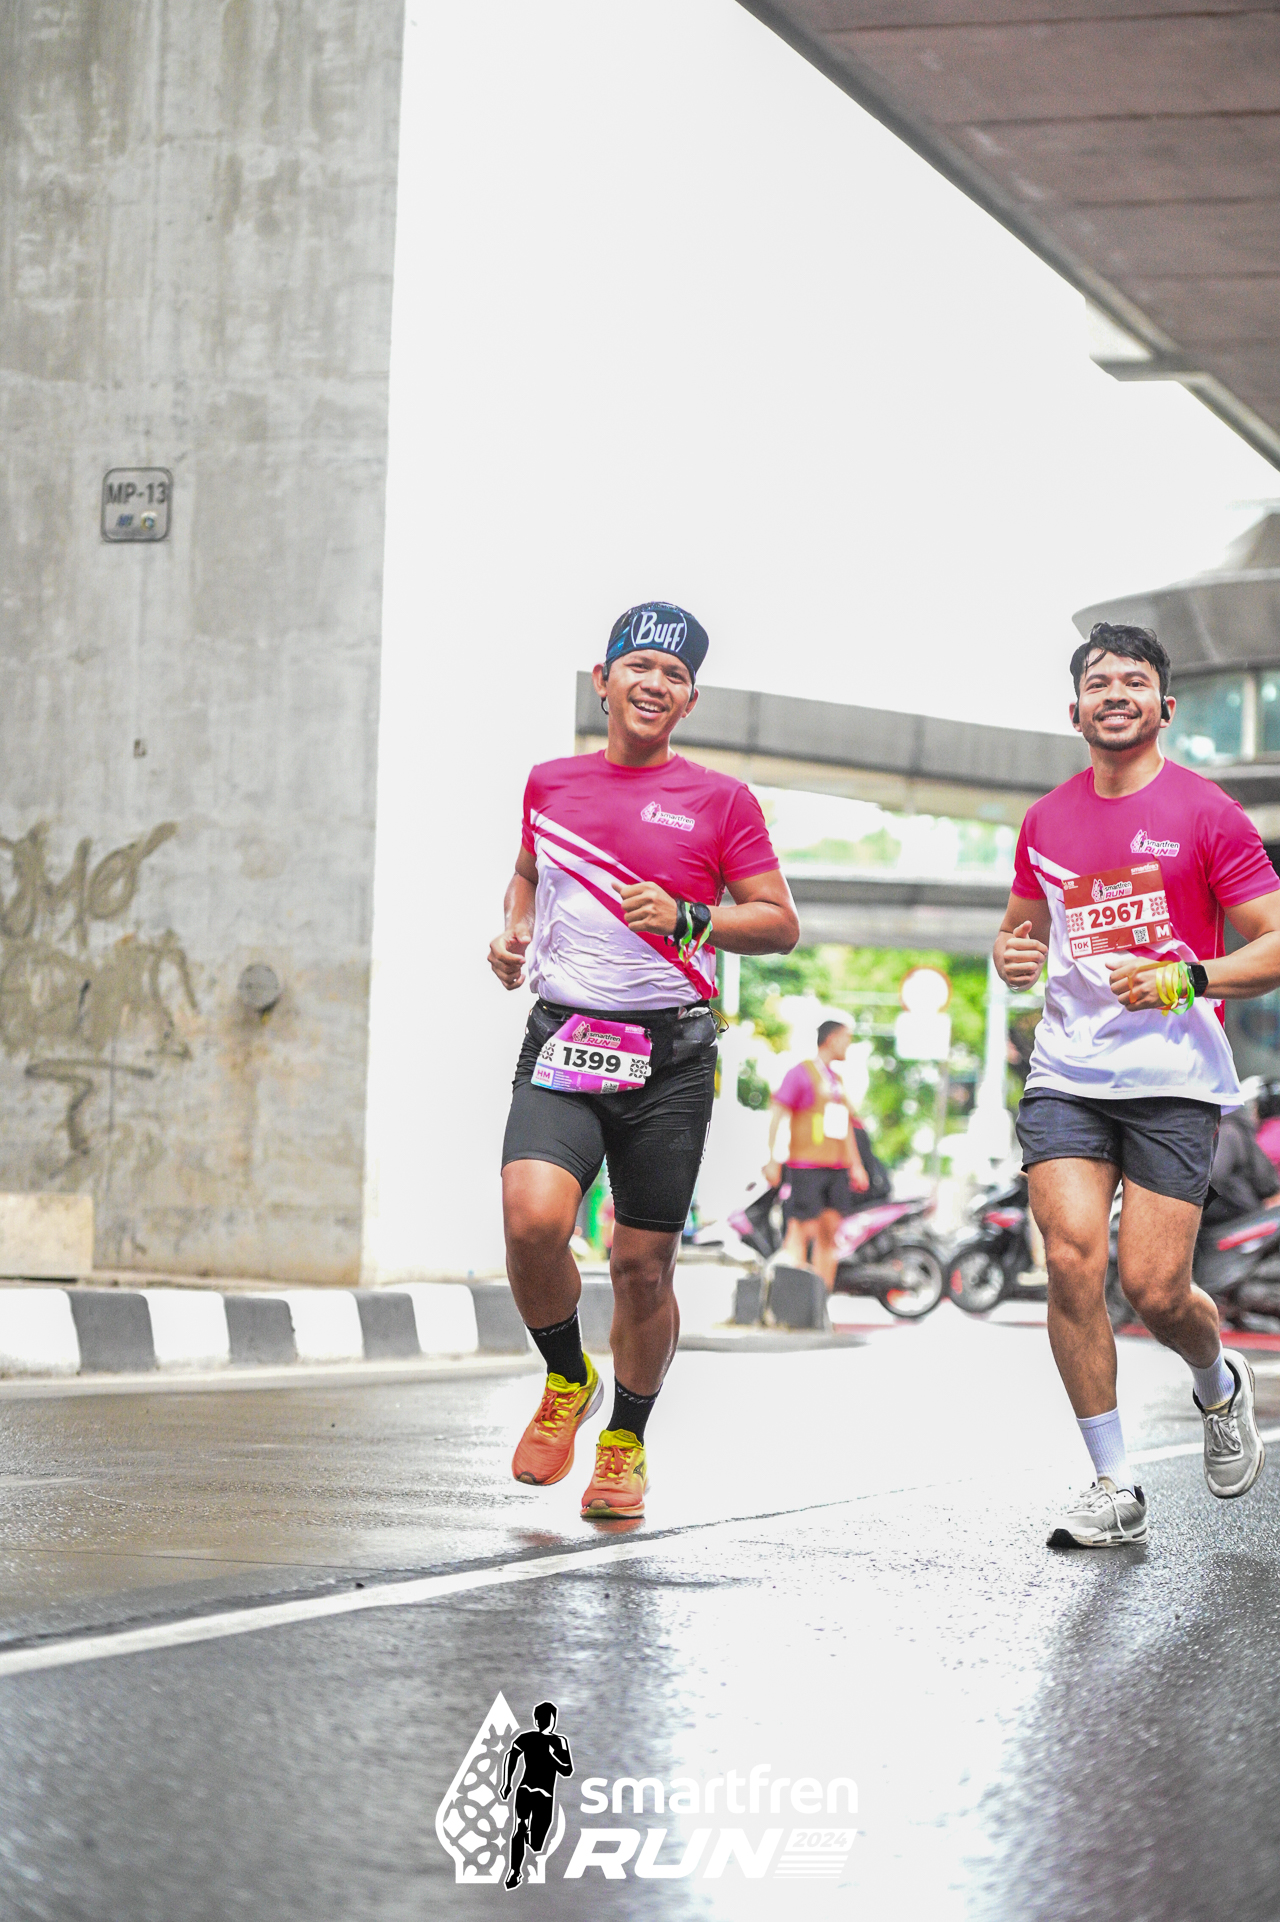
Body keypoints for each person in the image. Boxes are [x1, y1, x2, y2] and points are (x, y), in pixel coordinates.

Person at [488, 602, 799, 1521]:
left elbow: (778, 923)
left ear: (689, 700)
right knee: (531, 1220)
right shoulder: (551, 783)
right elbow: (528, 875)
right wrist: (511, 933)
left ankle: (625, 1440)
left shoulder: (721, 801)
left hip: (669, 1057)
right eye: (639, 666)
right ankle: (566, 1378)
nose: (655, 684)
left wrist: (692, 916)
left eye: (675, 675)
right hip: (566, 1037)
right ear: (604, 680)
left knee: (641, 1268)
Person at [994, 620, 1280, 1548]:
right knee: (1071, 1259)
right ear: (1074, 710)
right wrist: (1010, 956)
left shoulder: (1207, 813)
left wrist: (1188, 977)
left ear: (1165, 706)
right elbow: (1020, 932)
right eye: (1098, 682)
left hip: (1172, 1078)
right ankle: (1113, 1483)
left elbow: (1273, 940)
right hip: (1067, 1073)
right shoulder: (1046, 820)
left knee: (1156, 1291)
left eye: (1133, 681)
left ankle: (1217, 1383)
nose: (1114, 693)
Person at [764, 1019, 870, 1289]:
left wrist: (856, 1165)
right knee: (801, 1230)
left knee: (829, 1233)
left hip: (836, 1167)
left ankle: (821, 1299)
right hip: (806, 1165)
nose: (848, 1045)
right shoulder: (800, 1074)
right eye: (846, 1038)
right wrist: (773, 1159)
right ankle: (793, 1299)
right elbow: (778, 1115)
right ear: (831, 1039)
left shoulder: (837, 1081)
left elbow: (846, 1125)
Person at [499, 1700, 573, 1890]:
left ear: (553, 1719)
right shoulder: (527, 1738)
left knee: (536, 1843)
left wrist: (551, 1756)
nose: (545, 1721)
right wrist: (507, 1783)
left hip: (543, 1796)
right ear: (537, 1720)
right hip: (527, 1790)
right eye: (542, 1718)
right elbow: (511, 1756)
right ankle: (515, 1871)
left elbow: (567, 1770)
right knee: (520, 1826)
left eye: (548, 1718)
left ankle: (527, 1840)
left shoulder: (559, 1741)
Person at [1203, 1081, 1280, 1224]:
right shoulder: (1237, 1129)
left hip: (1238, 1219)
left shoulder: (1228, 1132)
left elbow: (1211, 1180)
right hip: (1247, 1215)